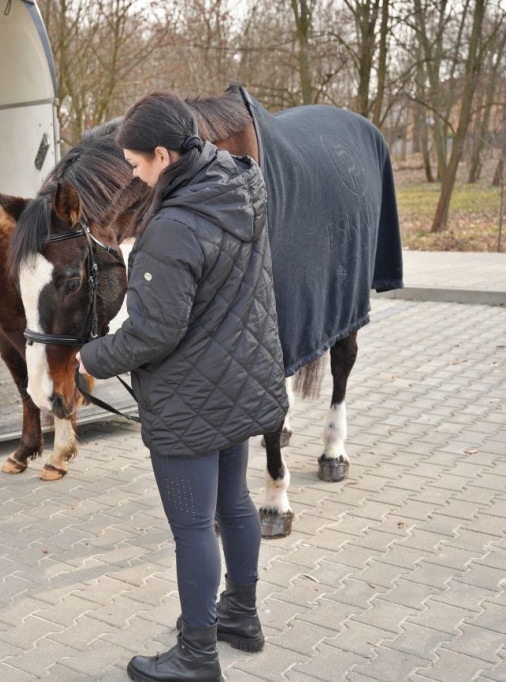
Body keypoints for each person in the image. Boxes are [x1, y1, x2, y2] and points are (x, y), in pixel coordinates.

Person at [76, 91, 288, 682]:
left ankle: (197, 657)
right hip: (236, 381)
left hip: (190, 399)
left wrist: (88, 358)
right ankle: (240, 617)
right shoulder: (241, 184)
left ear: (165, 155)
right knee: (235, 503)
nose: (135, 175)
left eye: (139, 164)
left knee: (194, 527)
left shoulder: (171, 230)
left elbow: (151, 333)